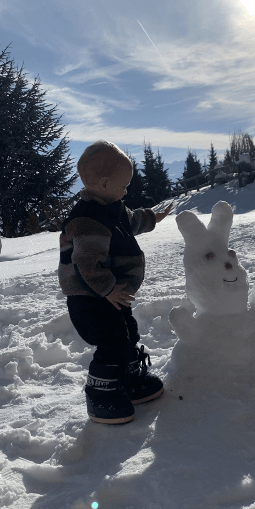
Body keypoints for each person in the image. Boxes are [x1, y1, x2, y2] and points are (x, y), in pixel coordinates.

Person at [58, 141, 172, 424]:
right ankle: (101, 395)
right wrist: (107, 288)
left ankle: (129, 379)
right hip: (90, 297)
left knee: (126, 331)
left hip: (111, 292)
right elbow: (86, 263)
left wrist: (152, 217)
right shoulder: (86, 220)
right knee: (111, 341)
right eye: (124, 185)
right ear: (105, 183)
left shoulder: (111, 207)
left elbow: (130, 221)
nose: (127, 191)